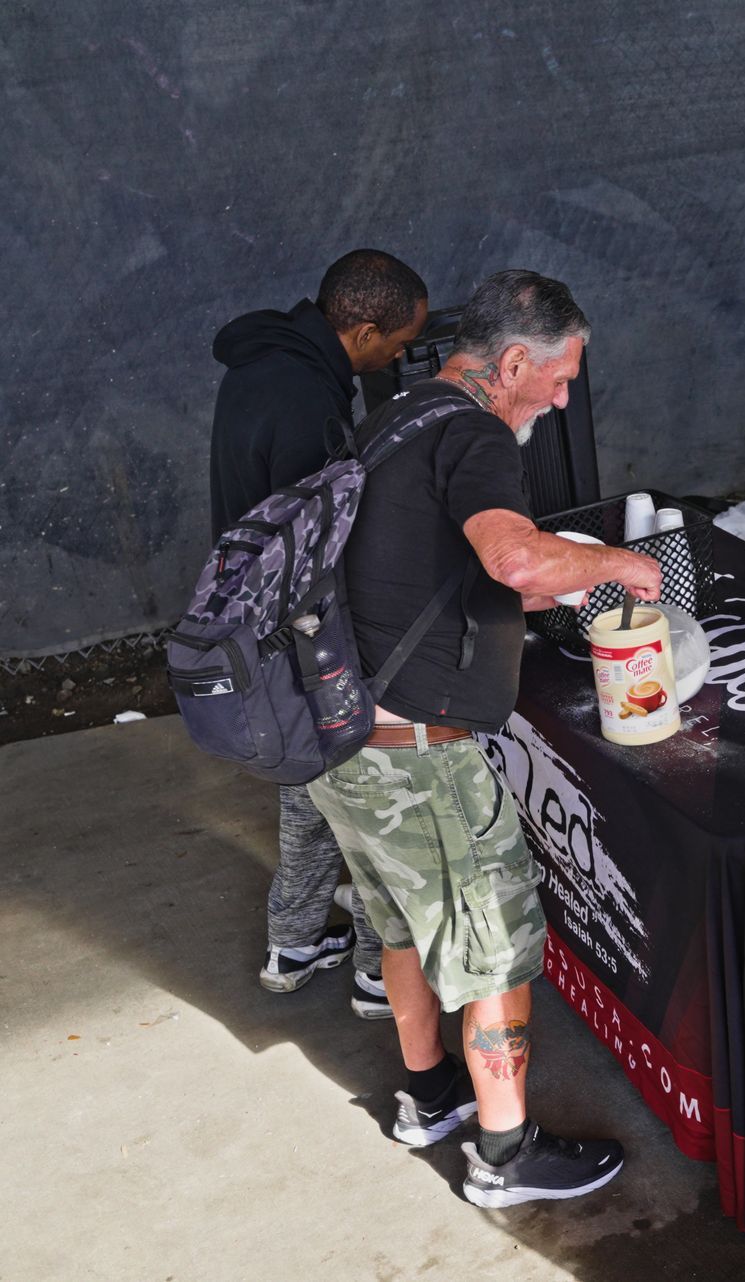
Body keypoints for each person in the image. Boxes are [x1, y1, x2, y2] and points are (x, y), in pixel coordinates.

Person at [304, 269, 663, 1206]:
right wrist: (623, 564)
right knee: (495, 950)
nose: (563, 394)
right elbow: (509, 553)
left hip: (346, 739)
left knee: (400, 928)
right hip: (420, 758)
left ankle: (429, 1100)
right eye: (559, 376)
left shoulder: (402, 414)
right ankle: (505, 1156)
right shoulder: (478, 436)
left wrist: (558, 578)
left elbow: (444, 568)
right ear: (513, 363)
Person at [209, 248, 430, 1017]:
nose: (397, 359)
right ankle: (379, 971)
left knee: (307, 790)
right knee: (372, 798)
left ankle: (294, 941)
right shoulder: (309, 404)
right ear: (362, 329)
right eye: (396, 345)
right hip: (308, 631)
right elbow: (318, 544)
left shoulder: (259, 368)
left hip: (259, 625)